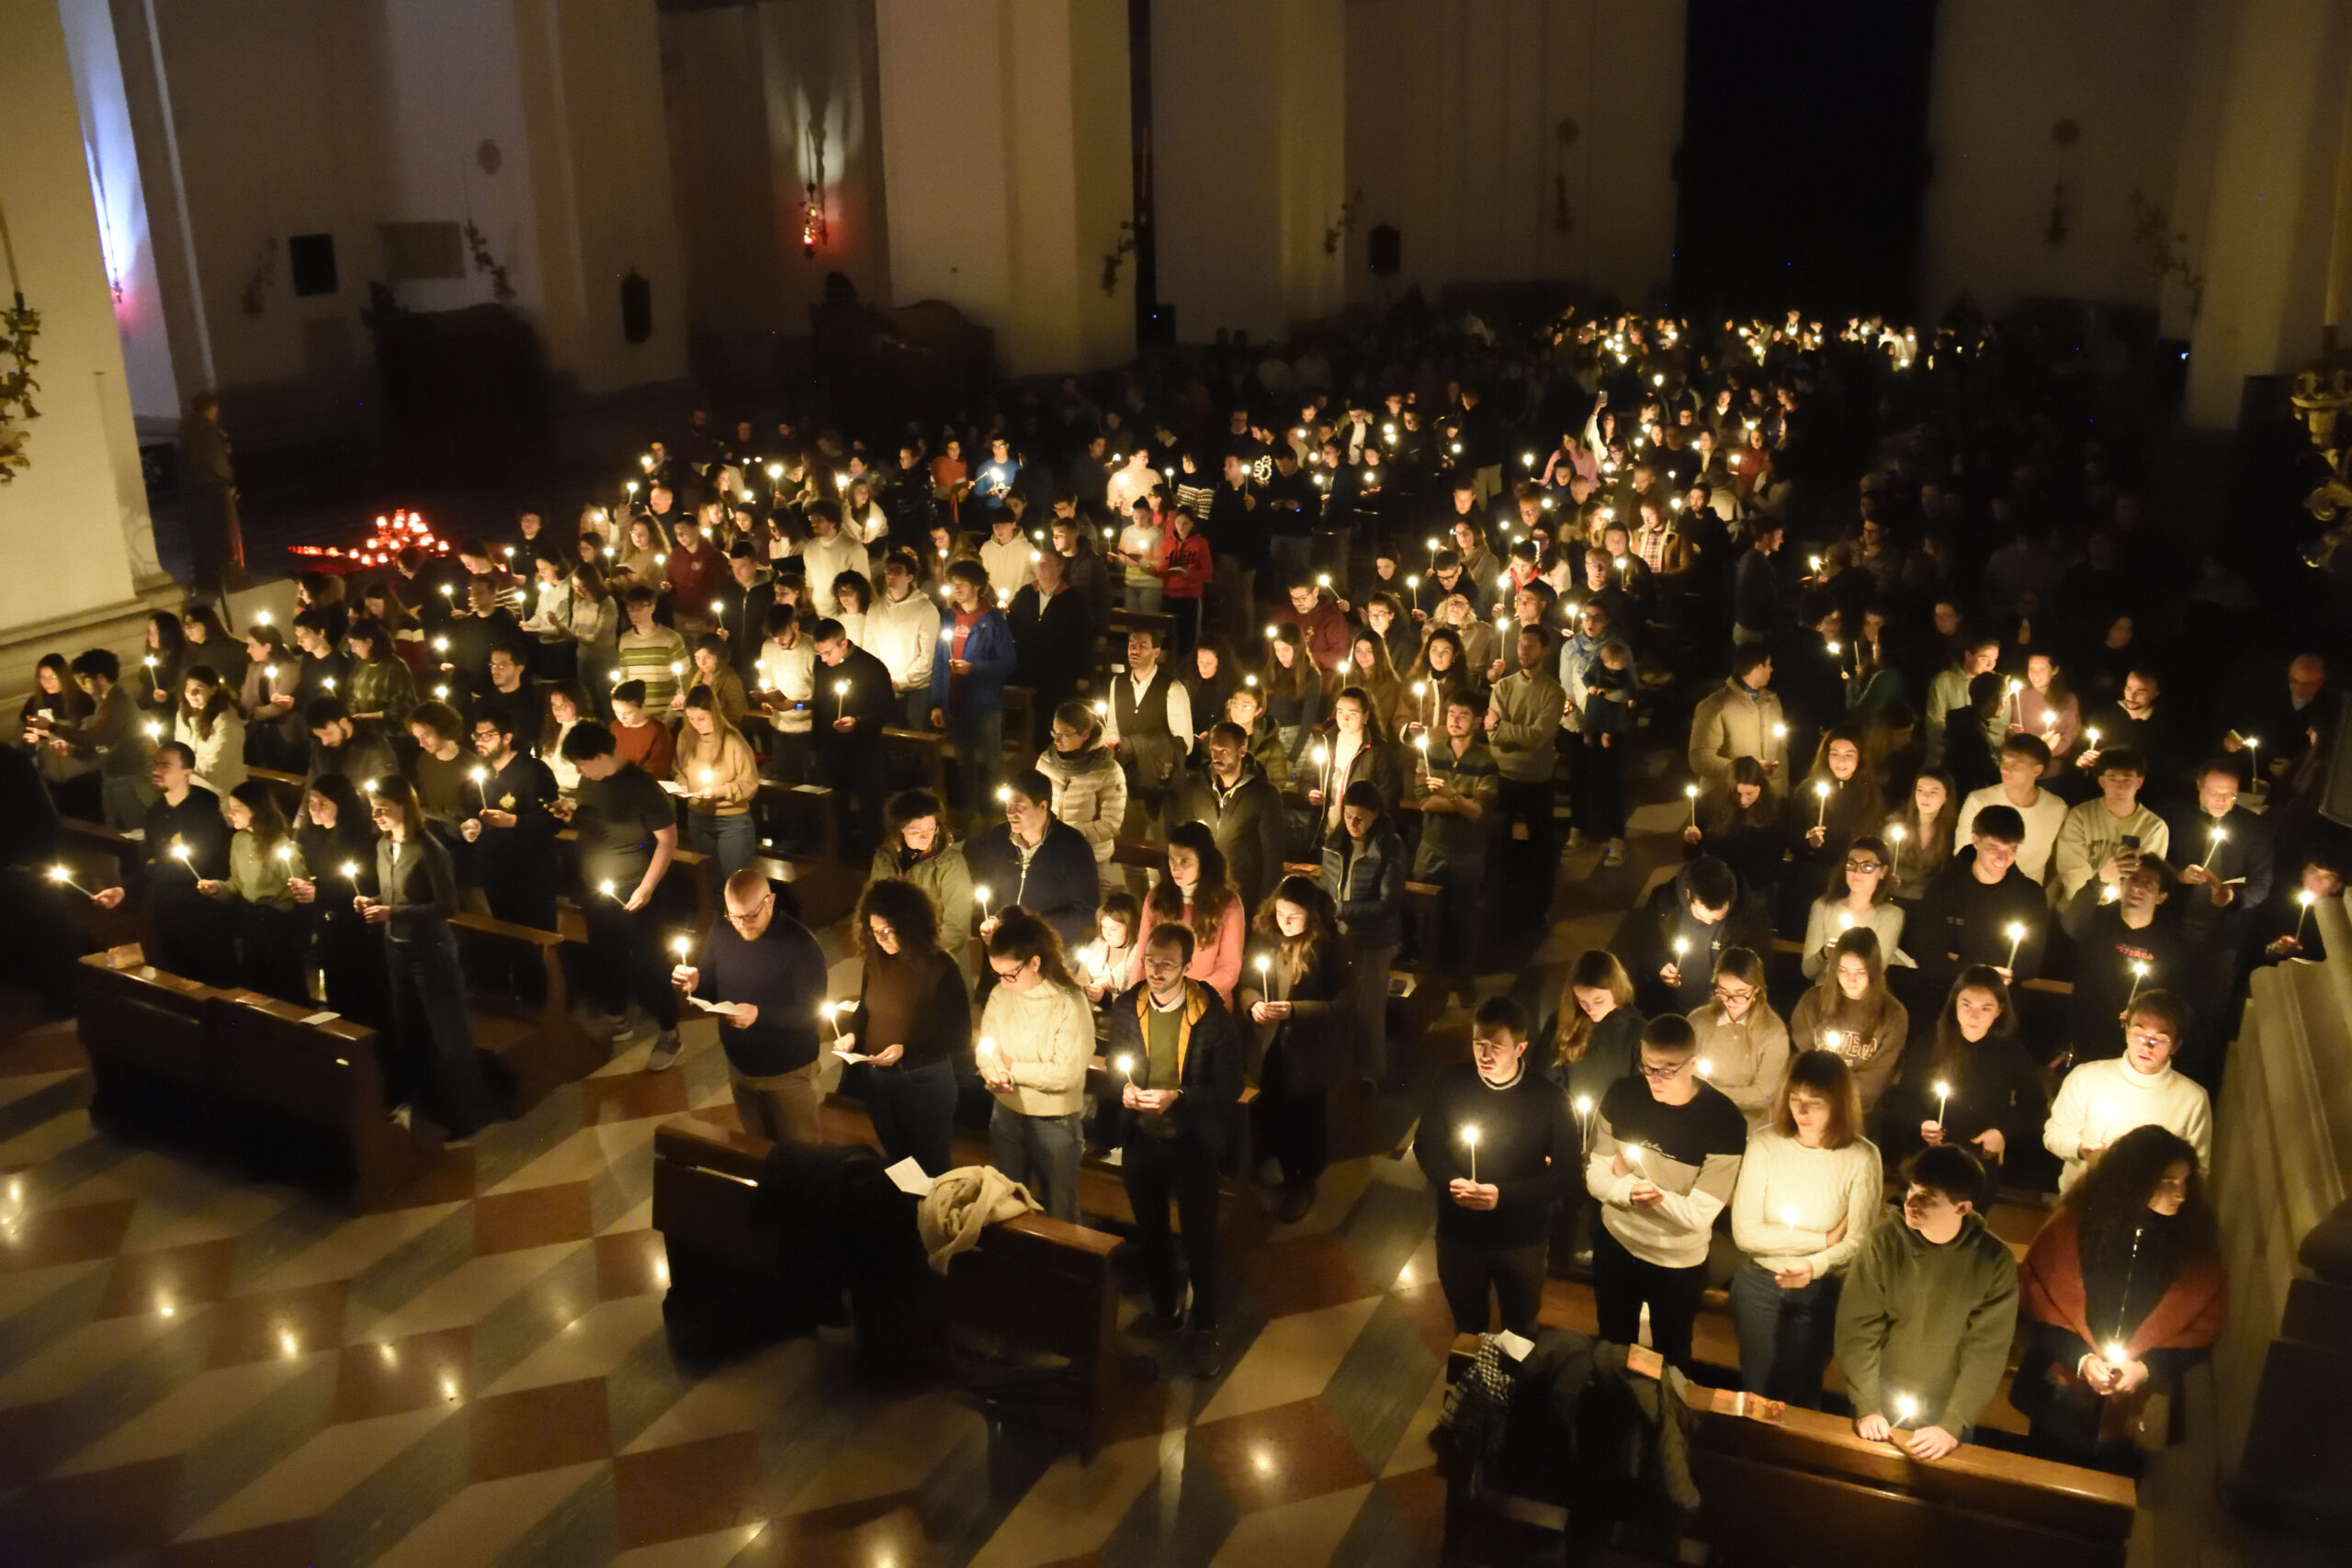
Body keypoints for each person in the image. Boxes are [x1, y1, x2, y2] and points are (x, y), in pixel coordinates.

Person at [2011, 1126, 2226, 1469]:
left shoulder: (2194, 1246)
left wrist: (2146, 1368)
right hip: (2059, 1395)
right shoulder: (2074, 1228)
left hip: (2139, 1410)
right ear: (2133, 1180)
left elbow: (2201, 1329)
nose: (2180, 1194)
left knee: (2113, 1497)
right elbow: (2037, 1303)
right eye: (2167, 1182)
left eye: (2185, 1182)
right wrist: (2081, 1359)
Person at [1104, 919, 1244, 1375]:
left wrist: (1177, 1098)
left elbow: (1227, 1087)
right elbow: (1115, 1061)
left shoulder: (1210, 1013)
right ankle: (1165, 1311)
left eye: (1167, 963)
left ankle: (1206, 1328)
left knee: (1200, 1238)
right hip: (1142, 1137)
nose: (1157, 970)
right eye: (1150, 961)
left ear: (1187, 966)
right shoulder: (1130, 1005)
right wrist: (1123, 1087)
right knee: (1151, 1232)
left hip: (1192, 1140)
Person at [1584, 1015, 1748, 1375]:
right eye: (1648, 1067)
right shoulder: (1623, 1095)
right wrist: (1629, 1190)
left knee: (1671, 1360)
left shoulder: (1724, 1121)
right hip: (1618, 1246)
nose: (1654, 1079)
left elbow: (1699, 1215)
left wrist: (1648, 1192)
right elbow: (1595, 1177)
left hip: (1677, 1265)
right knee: (1611, 1348)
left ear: (1693, 1063)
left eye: (1668, 1070)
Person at [1836, 1144, 2019, 1461]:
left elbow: (1986, 1350)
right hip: (1879, 1401)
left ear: (1962, 1208)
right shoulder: (1883, 1242)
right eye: (1911, 1190)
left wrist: (1953, 1423)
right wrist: (1868, 1406)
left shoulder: (1994, 1260)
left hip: (1948, 1411)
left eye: (1928, 1198)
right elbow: (1858, 1329)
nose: (1911, 1203)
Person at [1414, 997, 1578, 1335]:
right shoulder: (1450, 1083)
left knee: (1519, 1332)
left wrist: (1502, 1196)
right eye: (1479, 1044)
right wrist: (1452, 1182)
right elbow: (1426, 1144)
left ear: (1520, 1048)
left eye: (1496, 1047)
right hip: (1459, 1233)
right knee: (1467, 1328)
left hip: (1522, 1237)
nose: (1484, 1056)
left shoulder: (1549, 1100)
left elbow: (1566, 1174)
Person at [1728, 1051, 1883, 1406]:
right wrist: (1822, 1240)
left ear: (1840, 1104)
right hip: (1759, 1284)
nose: (1802, 1112)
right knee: (1756, 1383)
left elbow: (1858, 1241)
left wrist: (1813, 1265)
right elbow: (1746, 1233)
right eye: (1796, 1100)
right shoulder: (1765, 1144)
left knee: (1800, 1390)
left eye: (1815, 1103)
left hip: (1820, 1290)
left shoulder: (1861, 1157)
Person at [359, 775, 501, 1142]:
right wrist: (373, 901)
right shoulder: (383, 845)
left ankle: (469, 1115)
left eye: (383, 808)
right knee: (410, 1032)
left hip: (431, 952)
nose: (376, 815)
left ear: (404, 806)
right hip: (396, 948)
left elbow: (446, 906)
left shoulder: (429, 850)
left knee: (448, 1036)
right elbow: (392, 894)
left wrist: (392, 912)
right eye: (373, 807)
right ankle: (424, 1105)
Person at [558, 721, 683, 1067]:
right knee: (605, 952)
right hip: (597, 887)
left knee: (649, 959)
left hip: (636, 887)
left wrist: (646, 887)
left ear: (600, 756)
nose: (579, 772)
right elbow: (593, 821)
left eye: (582, 764)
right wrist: (570, 815)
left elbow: (667, 840)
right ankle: (618, 1018)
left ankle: (669, 1032)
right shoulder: (589, 781)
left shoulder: (642, 787)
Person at [836, 877, 970, 1176]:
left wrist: (906, 1050)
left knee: (930, 1168)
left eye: (888, 930)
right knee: (896, 1163)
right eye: (874, 932)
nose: (882, 939)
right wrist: (851, 1034)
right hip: (878, 1080)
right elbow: (864, 1011)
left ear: (910, 924)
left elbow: (958, 1037)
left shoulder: (941, 967)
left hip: (924, 1082)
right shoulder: (875, 961)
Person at [1237, 875, 1350, 1221]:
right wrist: (1253, 1004)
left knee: (1304, 1118)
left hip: (1307, 1052)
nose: (1285, 923)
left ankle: (1302, 1181)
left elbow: (1343, 1005)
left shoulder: (1329, 947)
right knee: (1270, 1109)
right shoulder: (1267, 936)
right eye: (1281, 914)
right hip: (1269, 1047)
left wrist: (1295, 1011)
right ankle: (1274, 1171)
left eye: (1294, 917)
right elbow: (1248, 983)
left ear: (1312, 916)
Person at [978, 906, 1096, 1220]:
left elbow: (1065, 1074)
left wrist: (1012, 1069)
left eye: (1010, 974)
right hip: (1006, 1114)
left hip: (1054, 1123)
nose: (1003, 983)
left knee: (1060, 1212)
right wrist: (994, 1071)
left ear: (1035, 962)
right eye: (997, 974)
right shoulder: (1002, 995)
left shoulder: (1069, 1002)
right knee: (1004, 1205)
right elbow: (986, 1048)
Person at [1885, 967, 2046, 1196]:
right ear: (1954, 1004)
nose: (1974, 1016)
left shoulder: (2011, 1053)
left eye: (1985, 1008)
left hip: (1977, 1163)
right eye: (1966, 1005)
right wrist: (1922, 1123)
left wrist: (2002, 1132)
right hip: (1927, 1159)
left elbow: (2034, 1105)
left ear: (1999, 1010)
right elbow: (1902, 1097)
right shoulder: (1929, 1044)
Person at [87, 741, 233, 984]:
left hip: (201, 915)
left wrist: (157, 865)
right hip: (165, 912)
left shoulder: (205, 814)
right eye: (154, 763)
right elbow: (147, 861)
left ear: (187, 773)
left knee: (207, 981)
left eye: (165, 765)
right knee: (172, 978)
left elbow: (193, 867)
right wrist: (123, 890)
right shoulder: (156, 812)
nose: (156, 769)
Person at [2044, 991, 2213, 1192]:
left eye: (2159, 1039)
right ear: (2127, 1032)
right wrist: (2081, 1149)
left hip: (2147, 1209)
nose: (2147, 1046)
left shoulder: (2192, 1099)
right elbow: (2055, 1133)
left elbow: (2198, 1168)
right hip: (2081, 1200)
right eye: (2140, 1035)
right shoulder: (2087, 1077)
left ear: (2176, 1045)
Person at [1410, 692, 1499, 998]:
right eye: (1451, 714)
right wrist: (1462, 799)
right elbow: (1424, 802)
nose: (1455, 720)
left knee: (1465, 916)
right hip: (1431, 847)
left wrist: (1450, 795)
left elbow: (1479, 813)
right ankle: (1426, 976)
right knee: (1425, 914)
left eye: (1462, 715)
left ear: (1476, 722)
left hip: (1467, 852)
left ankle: (1463, 978)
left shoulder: (1485, 762)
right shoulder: (1429, 753)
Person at [2057, 856, 2188, 1064]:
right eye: (2132, 879)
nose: (2137, 887)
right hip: (2085, 1036)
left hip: (2133, 1047)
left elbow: (2173, 997)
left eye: (2148, 884)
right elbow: (2071, 924)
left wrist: (2143, 1013)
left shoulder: (2170, 942)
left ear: (2161, 896)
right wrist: (2099, 880)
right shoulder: (2099, 919)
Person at [1611, 853, 1775, 1017]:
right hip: (1672, 1007)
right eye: (1702, 916)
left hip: (1723, 1011)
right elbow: (1645, 943)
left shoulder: (1748, 914)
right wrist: (1661, 964)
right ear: (1688, 894)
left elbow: (1759, 962)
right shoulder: (1664, 902)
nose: (1710, 922)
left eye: (1718, 917)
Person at [1910, 804, 2048, 997]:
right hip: (1948, 997)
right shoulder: (1944, 888)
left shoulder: (2030, 895)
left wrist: (1958, 960)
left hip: (2003, 1000)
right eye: (1994, 848)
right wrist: (1983, 970)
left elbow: (2028, 963)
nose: (2003, 858)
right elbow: (1927, 956)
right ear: (1975, 840)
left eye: (2011, 849)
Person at [197, 780, 310, 1003]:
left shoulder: (280, 844)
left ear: (256, 811)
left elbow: (301, 886)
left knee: (284, 990)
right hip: (250, 922)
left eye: (237, 809)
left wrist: (301, 889)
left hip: (278, 925)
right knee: (254, 988)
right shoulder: (239, 840)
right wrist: (217, 888)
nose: (230, 814)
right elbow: (237, 883)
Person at [967, 767, 1102, 952]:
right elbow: (989, 889)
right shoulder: (999, 838)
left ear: (1043, 807)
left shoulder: (1073, 847)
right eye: (1007, 804)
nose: (1010, 812)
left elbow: (1085, 911)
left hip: (1051, 948)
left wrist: (1032, 926)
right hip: (1007, 946)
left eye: (1019, 807)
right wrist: (992, 919)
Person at [288, 775, 385, 1025]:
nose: (314, 809)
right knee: (333, 983)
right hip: (328, 926)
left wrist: (319, 893)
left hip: (356, 930)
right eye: (312, 802)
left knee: (359, 991)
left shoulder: (362, 842)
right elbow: (320, 877)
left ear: (341, 806)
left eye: (323, 803)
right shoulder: (314, 837)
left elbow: (363, 887)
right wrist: (306, 885)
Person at [1166, 720, 1287, 916]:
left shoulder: (1264, 794)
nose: (1217, 757)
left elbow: (1272, 856)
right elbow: (1182, 838)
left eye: (1224, 751)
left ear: (1242, 750)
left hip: (1243, 893)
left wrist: (1265, 905)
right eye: (1213, 749)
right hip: (1201, 891)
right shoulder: (1195, 787)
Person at [1789, 927, 1911, 1113]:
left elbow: (1877, 1078)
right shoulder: (1812, 1001)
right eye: (1843, 970)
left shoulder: (1893, 1015)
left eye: (1860, 972)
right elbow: (1798, 1057)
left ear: (1874, 970)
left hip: (1859, 1114)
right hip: (1811, 1108)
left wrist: (1831, 1094)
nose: (1850, 979)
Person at [1485, 626, 1566, 906]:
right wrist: (1505, 730)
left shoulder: (1553, 692)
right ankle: (1502, 898)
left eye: (1531, 645)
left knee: (1540, 844)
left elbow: (1538, 737)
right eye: (1521, 644)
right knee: (1500, 840)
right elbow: (1491, 733)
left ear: (1544, 651)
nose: (1523, 650)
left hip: (1536, 778)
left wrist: (1502, 727)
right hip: (1504, 774)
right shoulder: (1504, 686)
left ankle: (1539, 902)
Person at [462, 704, 561, 931]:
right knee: (506, 935)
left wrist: (514, 821)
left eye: (488, 735)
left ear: (507, 737)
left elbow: (554, 821)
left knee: (537, 937)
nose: (480, 741)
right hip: (494, 870)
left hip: (531, 873)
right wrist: (471, 824)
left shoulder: (533, 771)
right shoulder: (480, 770)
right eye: (477, 735)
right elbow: (471, 808)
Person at [931, 559, 1017, 813]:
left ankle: (998, 813)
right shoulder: (949, 617)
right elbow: (939, 661)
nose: (956, 588)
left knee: (992, 762)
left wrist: (973, 668)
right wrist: (937, 702)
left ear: (977, 586)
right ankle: (970, 812)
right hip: (956, 701)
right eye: (953, 583)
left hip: (985, 703)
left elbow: (1008, 662)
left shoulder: (992, 619)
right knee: (963, 760)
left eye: (962, 584)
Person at [32, 649, 153, 829]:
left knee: (135, 832)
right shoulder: (103, 703)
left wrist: (51, 726)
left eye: (84, 680)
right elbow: (98, 748)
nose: (81, 686)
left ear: (101, 678)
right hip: (112, 778)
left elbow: (93, 738)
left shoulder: (120, 704)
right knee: (116, 832)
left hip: (130, 780)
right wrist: (71, 751)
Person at [1133, 819, 1246, 1007]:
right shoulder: (1157, 898)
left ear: (1204, 863)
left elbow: (1229, 967)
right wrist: (1136, 998)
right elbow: (1142, 956)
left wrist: (1191, 995)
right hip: (1159, 1001)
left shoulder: (1228, 905)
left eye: (1185, 861)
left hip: (1206, 1004)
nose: (1176, 868)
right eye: (1172, 859)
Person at [867, 788, 975, 979]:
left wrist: (913, 950)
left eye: (931, 829)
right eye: (916, 832)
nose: (925, 837)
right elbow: (876, 905)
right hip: (894, 956)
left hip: (939, 962)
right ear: (899, 830)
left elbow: (956, 927)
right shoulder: (886, 859)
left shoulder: (951, 864)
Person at [810, 618, 898, 852]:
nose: (824, 659)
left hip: (864, 752)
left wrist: (858, 721)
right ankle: (840, 857)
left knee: (870, 809)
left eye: (828, 652)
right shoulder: (820, 665)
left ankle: (874, 859)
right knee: (835, 808)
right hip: (831, 750)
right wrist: (816, 745)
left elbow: (888, 709)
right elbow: (819, 705)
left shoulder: (871, 667)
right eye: (819, 654)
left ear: (844, 644)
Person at [1688, 945, 1792, 1129]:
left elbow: (1765, 1095)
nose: (1730, 1000)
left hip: (1745, 1127)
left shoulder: (1773, 1033)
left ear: (1757, 989)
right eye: (1724, 991)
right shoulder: (1698, 1021)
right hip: (1698, 1120)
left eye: (1741, 994)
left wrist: (1712, 1092)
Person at [2051, 749, 2170, 906]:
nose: (2120, 787)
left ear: (2139, 782)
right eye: (2113, 779)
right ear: (2102, 781)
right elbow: (2071, 869)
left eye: (2127, 780)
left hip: (2122, 911)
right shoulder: (2079, 816)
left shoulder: (2154, 827)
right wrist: (2094, 890)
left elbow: (2146, 876)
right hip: (2078, 906)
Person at [1539, 950, 1645, 1116]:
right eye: (1582, 1001)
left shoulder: (1636, 1030)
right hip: (1571, 1122)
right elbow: (1547, 1075)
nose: (1590, 1009)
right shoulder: (1562, 1021)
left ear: (1616, 990)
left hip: (1615, 1126)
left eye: (1598, 1000)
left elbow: (1640, 1088)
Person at [1104, 626, 1193, 823]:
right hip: (1126, 777)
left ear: (1156, 652)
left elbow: (1184, 743)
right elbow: (1112, 729)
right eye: (1131, 644)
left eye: (1142, 645)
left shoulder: (1171, 688)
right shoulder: (1118, 683)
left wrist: (1137, 745)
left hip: (1159, 782)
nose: (1134, 650)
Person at [1036, 702, 1128, 889]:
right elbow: (1036, 802)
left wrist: (1068, 835)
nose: (1056, 740)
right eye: (1054, 733)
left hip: (1090, 858)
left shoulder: (1108, 770)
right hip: (1051, 853)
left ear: (1085, 734)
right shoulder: (1047, 761)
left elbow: (1110, 824)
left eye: (1064, 735)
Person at [674, 685, 761, 879]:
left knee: (734, 881)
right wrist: (682, 784)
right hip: (698, 818)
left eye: (702, 718)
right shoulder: (685, 738)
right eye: (691, 718)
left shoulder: (733, 741)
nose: (696, 724)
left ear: (714, 712)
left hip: (732, 821)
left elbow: (750, 784)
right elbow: (678, 770)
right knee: (709, 880)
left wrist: (719, 791)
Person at [1955, 736, 2066, 886]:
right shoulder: (1980, 801)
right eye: (2004, 761)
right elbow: (1963, 851)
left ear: (2037, 770)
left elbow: (2058, 861)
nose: (2005, 769)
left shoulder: (2056, 809)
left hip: (2027, 896)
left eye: (2016, 764)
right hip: (1982, 890)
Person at [1800, 833, 1908, 978]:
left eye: (1867, 867)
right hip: (1824, 994)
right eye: (1851, 864)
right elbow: (1808, 971)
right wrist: (1824, 954)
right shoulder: (1823, 907)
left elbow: (1876, 971)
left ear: (1882, 872)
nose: (1857, 872)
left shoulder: (1890, 915)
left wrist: (1847, 953)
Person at [1689, 648, 1789, 788]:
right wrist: (1742, 770)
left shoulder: (1771, 702)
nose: (1771, 669)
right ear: (1758, 667)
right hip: (1730, 796)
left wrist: (1782, 790)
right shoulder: (1714, 706)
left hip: (1767, 798)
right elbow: (1699, 757)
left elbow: (1781, 753)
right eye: (1768, 664)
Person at [175, 665, 246, 801]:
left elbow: (213, 769)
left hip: (222, 794)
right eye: (188, 688)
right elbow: (180, 748)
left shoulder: (226, 723)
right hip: (193, 791)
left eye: (199, 688)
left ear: (213, 689)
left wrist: (179, 764)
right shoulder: (184, 714)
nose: (192, 693)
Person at [1885, 768, 1958, 903]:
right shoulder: (1896, 824)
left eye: (1933, 792)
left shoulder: (1950, 834)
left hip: (1927, 902)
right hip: (1892, 898)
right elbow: (1881, 859)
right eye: (1920, 790)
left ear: (1946, 798)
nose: (1925, 797)